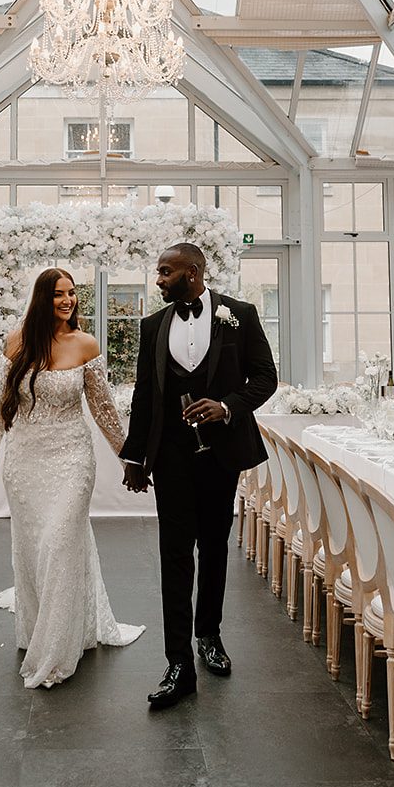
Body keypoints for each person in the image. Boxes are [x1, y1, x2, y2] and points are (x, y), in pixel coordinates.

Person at [122, 244, 278, 710]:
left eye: (165, 272)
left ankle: (209, 635)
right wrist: (135, 458)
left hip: (221, 455)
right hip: (170, 456)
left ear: (192, 273)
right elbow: (144, 394)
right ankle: (177, 664)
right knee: (173, 554)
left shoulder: (240, 314)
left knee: (214, 547)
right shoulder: (153, 326)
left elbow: (265, 377)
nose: (158, 280)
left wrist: (228, 406)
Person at [0, 268, 144, 688]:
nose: (67, 301)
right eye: (57, 295)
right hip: (25, 460)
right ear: (41, 300)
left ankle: (55, 650)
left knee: (60, 542)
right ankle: (41, 630)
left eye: (71, 294)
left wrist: (131, 460)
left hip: (71, 459)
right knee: (33, 550)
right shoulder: (17, 343)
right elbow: (0, 406)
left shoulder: (86, 345)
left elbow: (105, 412)